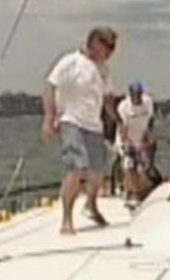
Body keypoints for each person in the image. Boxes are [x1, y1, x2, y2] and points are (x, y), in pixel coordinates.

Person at [42, 27, 118, 235]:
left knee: (98, 170)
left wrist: (116, 118)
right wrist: (49, 118)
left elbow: (107, 96)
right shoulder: (71, 62)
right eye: (108, 48)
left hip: (94, 124)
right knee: (76, 168)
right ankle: (67, 219)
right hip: (72, 121)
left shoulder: (103, 70)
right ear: (95, 44)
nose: (110, 53)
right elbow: (50, 86)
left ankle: (91, 205)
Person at [116, 80, 156, 206]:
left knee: (143, 167)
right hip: (126, 138)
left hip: (141, 138)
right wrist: (129, 144)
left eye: (139, 95)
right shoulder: (124, 107)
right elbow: (122, 128)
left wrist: (147, 139)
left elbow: (150, 122)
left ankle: (140, 191)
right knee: (128, 165)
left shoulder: (148, 102)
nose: (137, 98)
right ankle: (131, 192)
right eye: (134, 95)